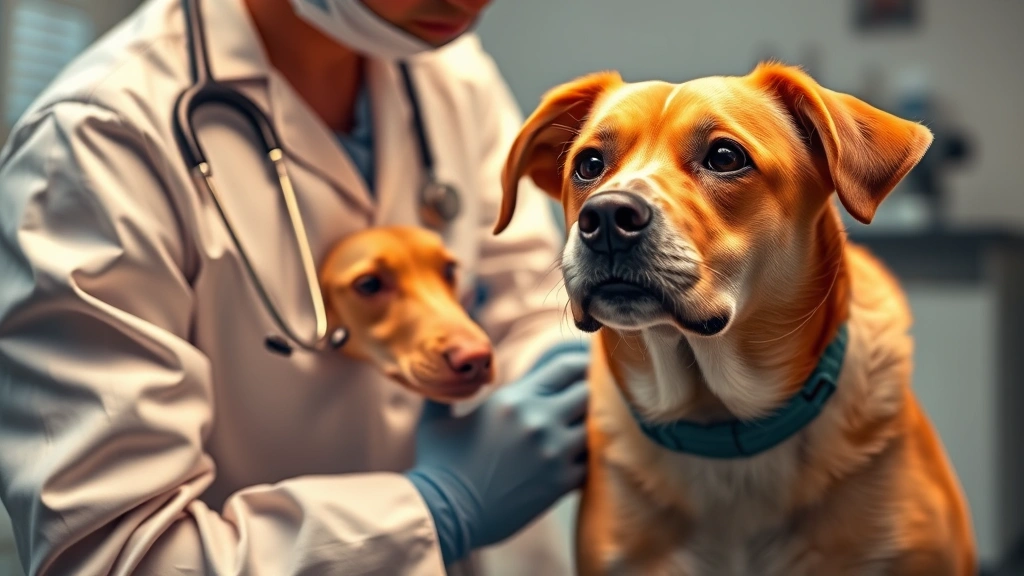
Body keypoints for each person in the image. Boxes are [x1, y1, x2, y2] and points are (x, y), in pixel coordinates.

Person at [0, 0, 590, 574]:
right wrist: (436, 509)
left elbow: (524, 300)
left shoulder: (449, 71)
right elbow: (118, 556)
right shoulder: (96, 139)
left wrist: (562, 371)